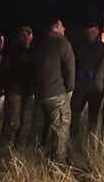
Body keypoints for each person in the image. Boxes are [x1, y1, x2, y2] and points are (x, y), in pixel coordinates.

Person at [32, 19, 75, 162]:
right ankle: (58, 164)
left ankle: (37, 157)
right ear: (55, 28)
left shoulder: (39, 44)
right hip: (57, 93)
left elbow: (33, 68)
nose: (64, 29)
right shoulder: (62, 43)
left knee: (40, 127)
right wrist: (70, 89)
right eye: (62, 26)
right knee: (60, 130)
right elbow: (70, 68)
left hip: (40, 94)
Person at [70, 22, 104, 138]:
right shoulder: (78, 47)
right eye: (88, 32)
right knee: (75, 113)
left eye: (93, 32)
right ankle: (72, 137)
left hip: (95, 88)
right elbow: (72, 64)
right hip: (80, 87)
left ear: (97, 32)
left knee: (93, 116)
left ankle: (90, 139)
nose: (91, 35)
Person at [0, 26, 34, 146]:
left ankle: (18, 148)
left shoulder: (32, 52)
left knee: (25, 123)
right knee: (12, 122)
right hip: (14, 92)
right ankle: (6, 147)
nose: (25, 38)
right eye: (23, 35)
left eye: (27, 35)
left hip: (28, 92)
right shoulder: (12, 52)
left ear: (31, 37)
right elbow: (4, 72)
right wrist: (9, 86)